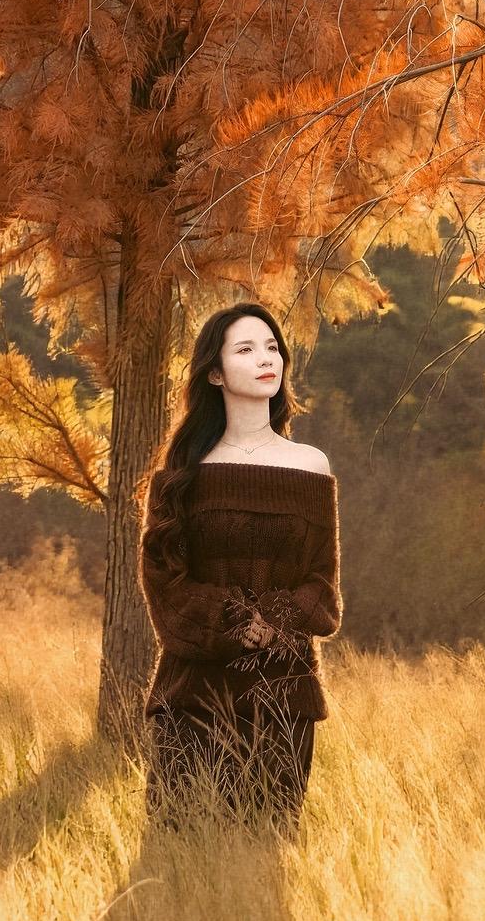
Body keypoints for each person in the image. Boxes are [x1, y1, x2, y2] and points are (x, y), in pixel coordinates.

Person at [137, 300, 341, 832]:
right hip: (193, 699)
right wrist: (234, 623)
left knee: (265, 870)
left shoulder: (311, 466)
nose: (264, 359)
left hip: (284, 701)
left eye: (272, 347)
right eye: (245, 349)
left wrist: (271, 620)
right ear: (214, 372)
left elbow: (323, 586)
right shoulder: (182, 472)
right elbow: (166, 587)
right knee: (180, 865)